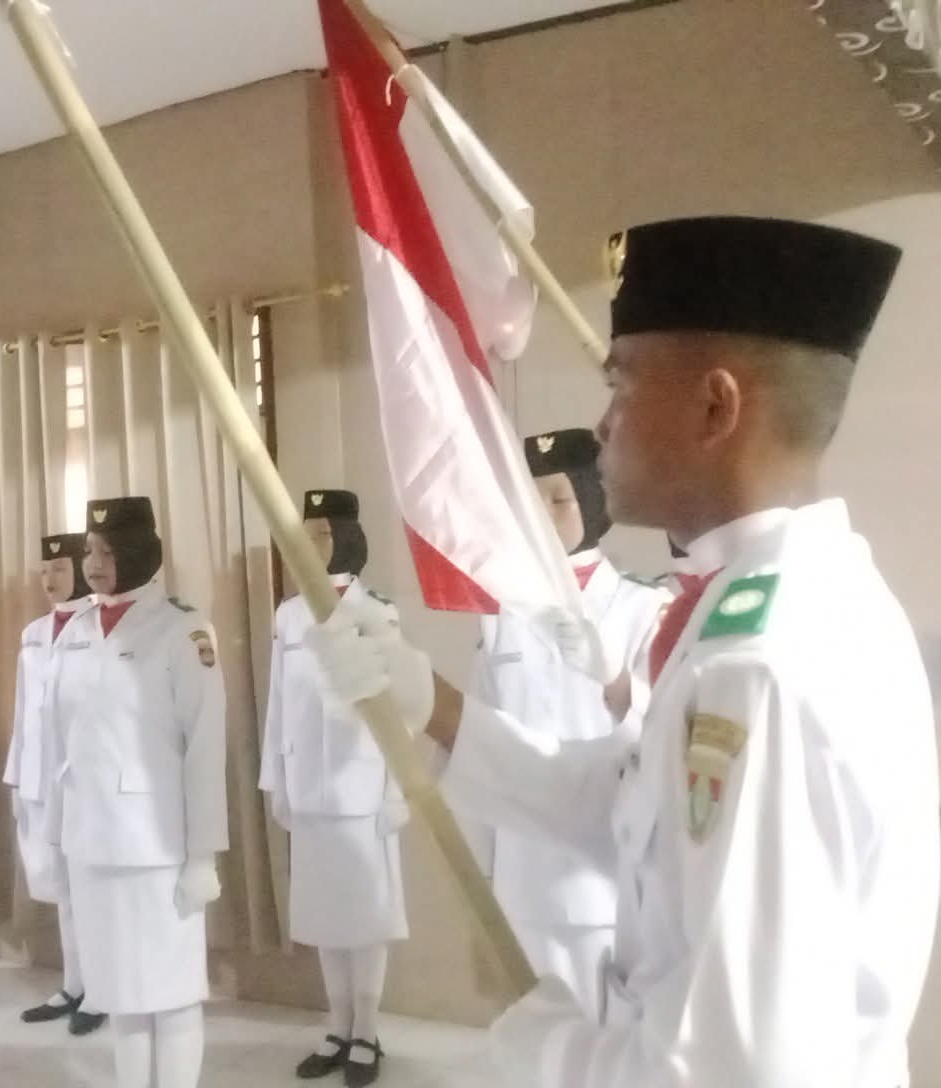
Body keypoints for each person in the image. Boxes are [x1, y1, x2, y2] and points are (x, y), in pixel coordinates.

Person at [307, 216, 939, 1085]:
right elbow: (628, 806)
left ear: (716, 406)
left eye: (622, 384)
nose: (603, 426)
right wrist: (431, 703)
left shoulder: (763, 664)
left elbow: (731, 1069)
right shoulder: (761, 607)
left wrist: (548, 1045)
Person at [459, 430, 669, 1015]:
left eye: (559, 499)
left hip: (603, 877)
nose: (544, 516)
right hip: (522, 871)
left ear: (593, 500)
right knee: (531, 1035)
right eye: (532, 502)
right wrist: (481, 862)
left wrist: (619, 683)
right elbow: (479, 739)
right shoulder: (503, 615)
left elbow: (664, 732)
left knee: (604, 1039)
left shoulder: (642, 608)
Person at [48, 497, 227, 1088]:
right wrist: (55, 832)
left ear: (138, 553)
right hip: (92, 843)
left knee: (171, 993)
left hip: (157, 849)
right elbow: (58, 742)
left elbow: (205, 746)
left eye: (107, 552)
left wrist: (203, 855)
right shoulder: (75, 630)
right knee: (118, 991)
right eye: (89, 551)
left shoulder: (181, 628)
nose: (94, 563)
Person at [259, 490, 407, 1087]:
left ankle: (367, 1030)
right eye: (306, 534)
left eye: (323, 533)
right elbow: (277, 701)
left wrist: (397, 790)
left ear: (347, 537)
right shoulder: (289, 615)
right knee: (324, 918)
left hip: (362, 789)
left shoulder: (378, 612)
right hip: (308, 788)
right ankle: (336, 1026)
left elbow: (397, 709)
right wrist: (275, 777)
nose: (313, 545)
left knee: (366, 920)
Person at [3, 532, 105, 1034]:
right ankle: (74, 984)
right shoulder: (33, 633)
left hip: (84, 779)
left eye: (60, 568)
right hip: (40, 776)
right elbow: (23, 710)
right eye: (43, 570)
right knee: (63, 889)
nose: (49, 579)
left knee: (91, 889)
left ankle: (101, 990)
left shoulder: (101, 626)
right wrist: (16, 777)